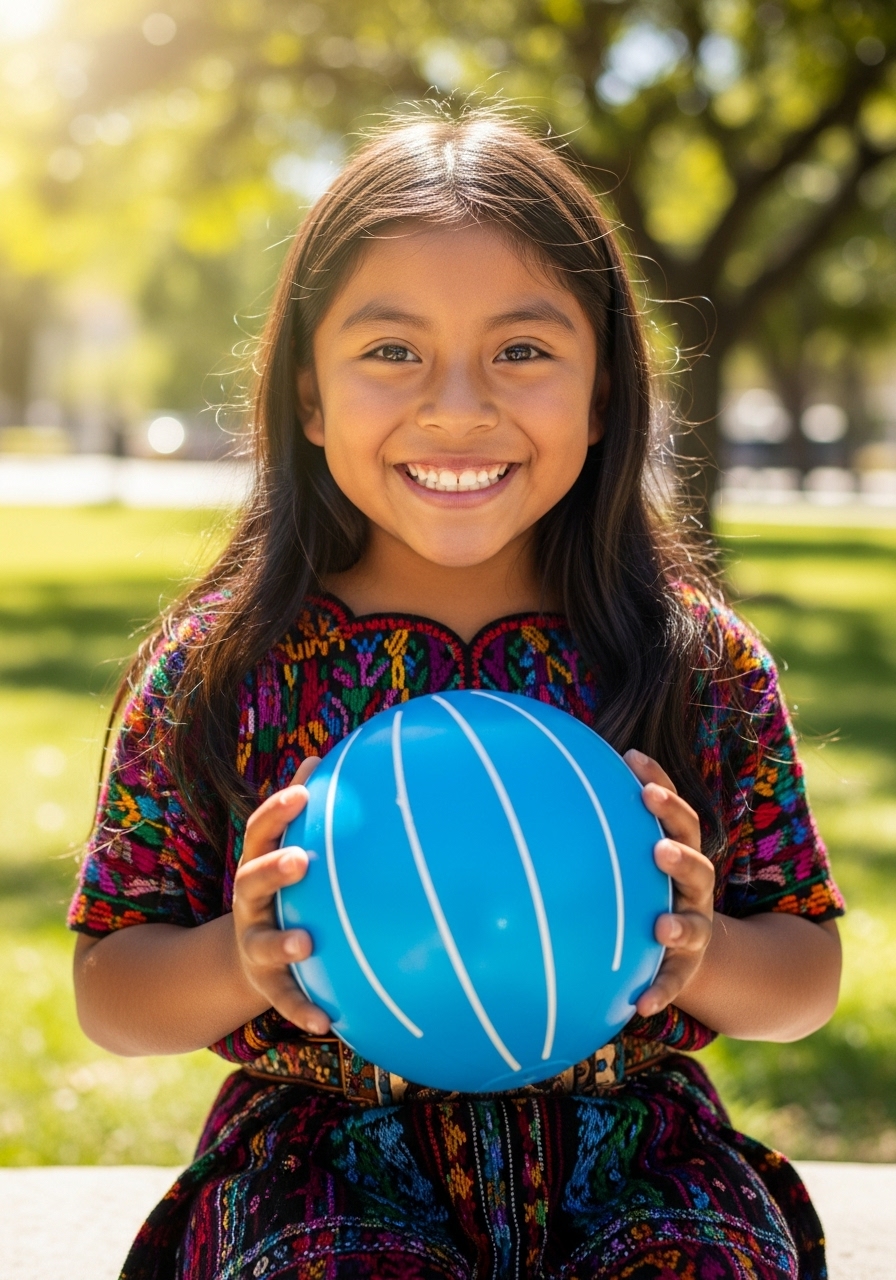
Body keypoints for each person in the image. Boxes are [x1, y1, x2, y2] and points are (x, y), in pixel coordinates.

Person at [69, 109, 844, 1280]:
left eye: (522, 351)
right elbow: (110, 991)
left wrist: (701, 946)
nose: (457, 406)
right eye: (391, 350)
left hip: (637, 1153)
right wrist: (242, 959)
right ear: (309, 395)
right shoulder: (218, 672)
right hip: (321, 1164)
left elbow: (804, 974)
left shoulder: (694, 658)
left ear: (601, 394)